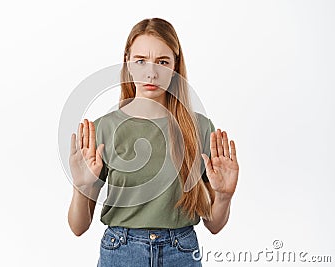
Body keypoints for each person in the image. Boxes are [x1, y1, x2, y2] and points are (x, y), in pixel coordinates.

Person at [68, 17, 239, 267]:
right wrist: (80, 186)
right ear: (128, 62)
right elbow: (78, 227)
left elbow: (214, 225)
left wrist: (224, 197)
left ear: (175, 66)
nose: (151, 72)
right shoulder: (104, 128)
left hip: (181, 252)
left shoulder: (200, 128)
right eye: (141, 61)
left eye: (162, 62)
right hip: (121, 252)